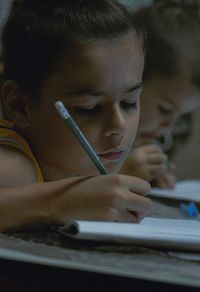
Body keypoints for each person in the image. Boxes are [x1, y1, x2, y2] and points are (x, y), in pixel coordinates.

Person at [0, 0, 151, 232]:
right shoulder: (13, 166)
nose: (119, 125)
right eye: (89, 109)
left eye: (129, 103)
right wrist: (60, 202)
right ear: (20, 105)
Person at [121, 0, 200, 188]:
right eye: (164, 109)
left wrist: (150, 175)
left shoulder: (150, 139)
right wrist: (119, 172)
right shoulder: (88, 128)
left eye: (181, 115)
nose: (169, 126)